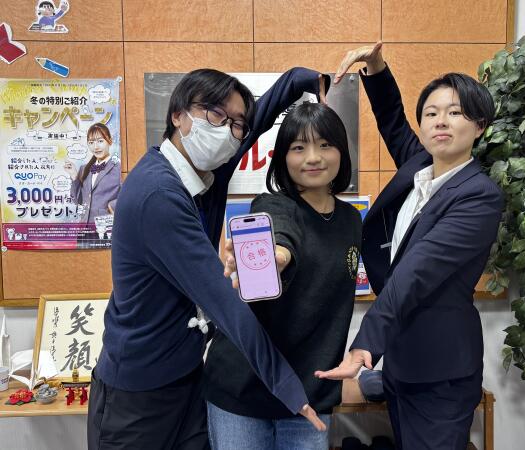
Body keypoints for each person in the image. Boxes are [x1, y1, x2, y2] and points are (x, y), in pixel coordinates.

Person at [87, 67, 329, 450]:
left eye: (235, 123)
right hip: (136, 396)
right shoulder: (158, 195)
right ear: (178, 116)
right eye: (215, 114)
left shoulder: (204, 176)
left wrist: (301, 79)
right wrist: (288, 387)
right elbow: (224, 303)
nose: (227, 130)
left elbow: (256, 122)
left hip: (187, 379)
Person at [316, 43, 504, 450]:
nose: (441, 121)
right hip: (403, 364)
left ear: (480, 125)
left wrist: (364, 344)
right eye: (431, 113)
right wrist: (377, 67)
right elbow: (392, 121)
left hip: (440, 372)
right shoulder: (420, 167)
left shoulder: (478, 195)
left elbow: (416, 270)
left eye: (455, 113)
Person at [203, 102, 362, 450]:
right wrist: (275, 257)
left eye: (325, 145)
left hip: (311, 392)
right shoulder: (273, 205)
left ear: (341, 151)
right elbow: (281, 235)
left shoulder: (351, 220)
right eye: (299, 147)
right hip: (243, 388)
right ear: (283, 158)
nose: (313, 158)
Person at [64, 122, 121, 242]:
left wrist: (111, 206)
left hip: (105, 229)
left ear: (110, 141)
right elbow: (78, 201)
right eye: (91, 142)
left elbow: (129, 195)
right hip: (84, 230)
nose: (96, 147)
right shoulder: (84, 169)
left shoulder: (119, 168)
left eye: (100, 141)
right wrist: (74, 176)